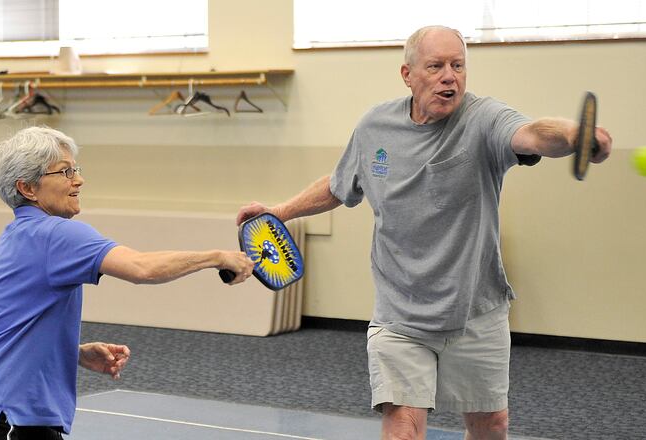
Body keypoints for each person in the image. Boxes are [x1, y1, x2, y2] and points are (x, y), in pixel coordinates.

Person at [236, 25, 612, 440]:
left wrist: (575, 135)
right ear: (407, 74)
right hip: (401, 313)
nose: (449, 76)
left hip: (476, 309)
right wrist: (280, 211)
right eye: (435, 66)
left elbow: (534, 134)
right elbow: (340, 184)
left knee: (491, 426)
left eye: (458, 65)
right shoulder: (375, 126)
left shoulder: (484, 119)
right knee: (403, 427)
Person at [0, 127, 255, 440]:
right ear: (28, 188)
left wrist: (72, 352)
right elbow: (141, 268)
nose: (78, 179)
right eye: (64, 172)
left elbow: (7, 325)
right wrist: (216, 257)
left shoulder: (15, 236)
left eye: (75, 169)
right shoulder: (57, 234)